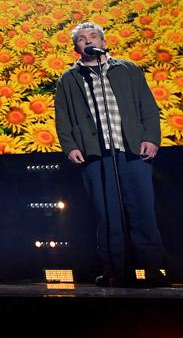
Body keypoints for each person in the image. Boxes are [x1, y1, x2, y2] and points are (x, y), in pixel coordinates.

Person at [54, 22, 168, 287]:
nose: (88, 41)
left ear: (103, 42)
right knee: (107, 214)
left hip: (132, 151)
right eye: (82, 39)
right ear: (76, 48)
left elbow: (148, 107)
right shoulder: (69, 79)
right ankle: (114, 270)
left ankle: (152, 270)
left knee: (142, 211)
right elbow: (63, 119)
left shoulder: (127, 69)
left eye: (93, 36)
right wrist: (70, 146)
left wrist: (151, 138)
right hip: (96, 155)